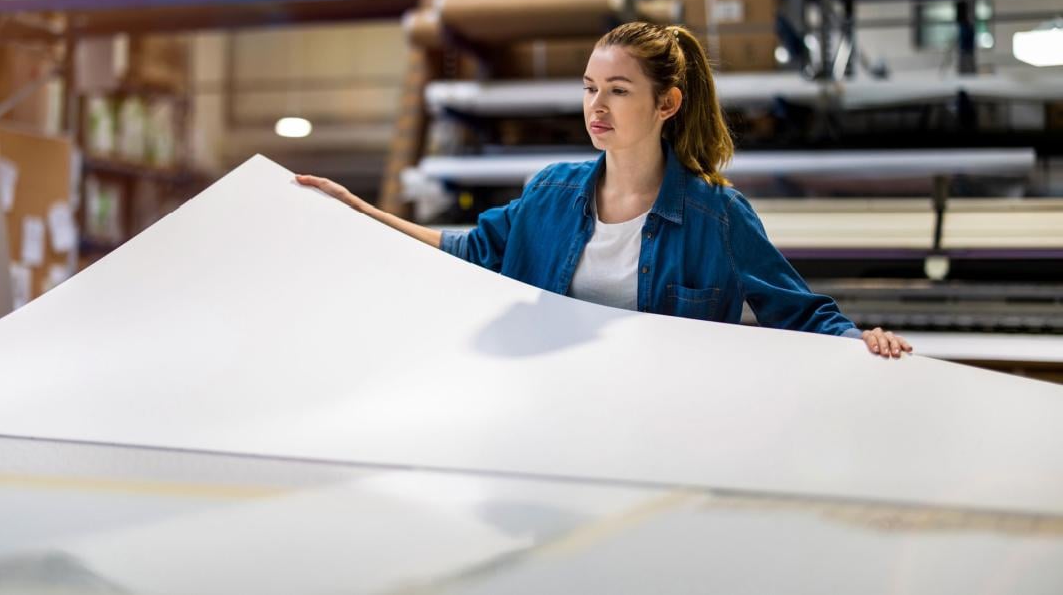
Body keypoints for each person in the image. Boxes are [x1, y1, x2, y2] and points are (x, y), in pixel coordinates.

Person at [298, 21, 913, 359]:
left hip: (662, 427)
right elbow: (469, 249)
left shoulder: (716, 216)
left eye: (618, 90)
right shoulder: (550, 193)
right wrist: (361, 210)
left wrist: (862, 339)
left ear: (666, 103)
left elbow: (799, 312)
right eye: (590, 87)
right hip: (553, 411)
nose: (597, 105)